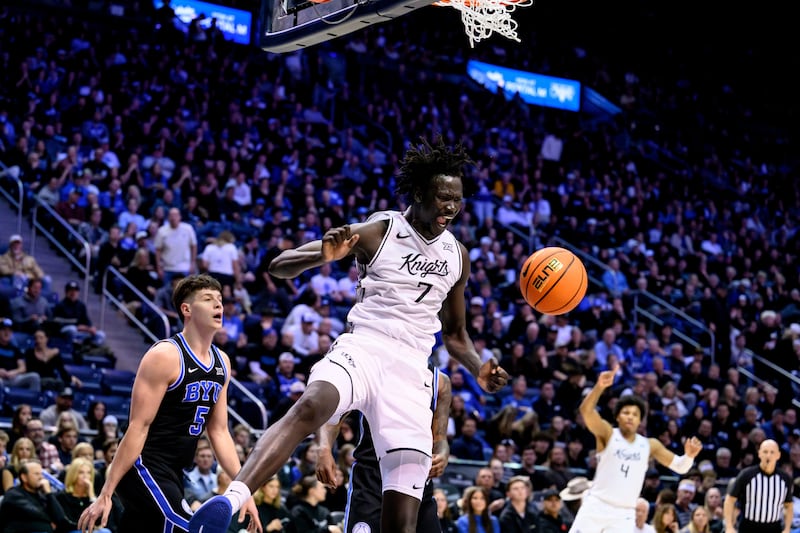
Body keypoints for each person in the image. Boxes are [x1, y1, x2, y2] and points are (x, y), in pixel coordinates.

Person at [190, 137, 509, 533]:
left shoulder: (457, 255)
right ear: (419, 192)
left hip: (412, 372)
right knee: (311, 406)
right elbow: (278, 266)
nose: (451, 207)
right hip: (366, 347)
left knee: (402, 520)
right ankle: (229, 502)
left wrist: (478, 368)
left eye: (457, 200)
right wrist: (321, 255)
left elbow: (457, 334)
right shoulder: (382, 229)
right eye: (443, 197)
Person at [76, 274, 259, 533]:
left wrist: (243, 489)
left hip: (174, 470)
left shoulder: (223, 362)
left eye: (219, 300)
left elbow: (219, 431)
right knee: (187, 527)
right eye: (208, 300)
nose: (218, 305)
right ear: (187, 309)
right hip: (143, 464)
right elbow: (138, 426)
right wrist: (107, 491)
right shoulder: (165, 355)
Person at [568, 363, 703, 533]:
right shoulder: (608, 434)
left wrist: (689, 456)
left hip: (624, 513)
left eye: (635, 414)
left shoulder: (650, 445)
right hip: (596, 505)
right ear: (617, 416)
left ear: (641, 420)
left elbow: (680, 467)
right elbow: (586, 411)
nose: (630, 417)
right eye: (626, 413)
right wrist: (599, 387)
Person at [316, 367, 452, 532]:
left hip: (416, 479)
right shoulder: (371, 367)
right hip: (372, 476)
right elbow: (333, 416)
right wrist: (324, 449)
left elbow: (440, 438)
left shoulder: (440, 381)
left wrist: (443, 454)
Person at [723, 439, 792, 533]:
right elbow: (729, 500)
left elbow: (788, 505)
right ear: (759, 453)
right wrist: (729, 526)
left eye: (772, 452)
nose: (768, 455)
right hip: (749, 527)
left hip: (774, 528)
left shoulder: (785, 478)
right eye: (765, 452)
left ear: (778, 455)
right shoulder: (746, 475)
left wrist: (787, 528)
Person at [0, 459, 69, 533]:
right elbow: (34, 511)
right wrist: (50, 521)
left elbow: (61, 518)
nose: (41, 477)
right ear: (24, 477)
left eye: (41, 474)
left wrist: (49, 494)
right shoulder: (13, 494)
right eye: (36, 474)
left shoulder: (43, 495)